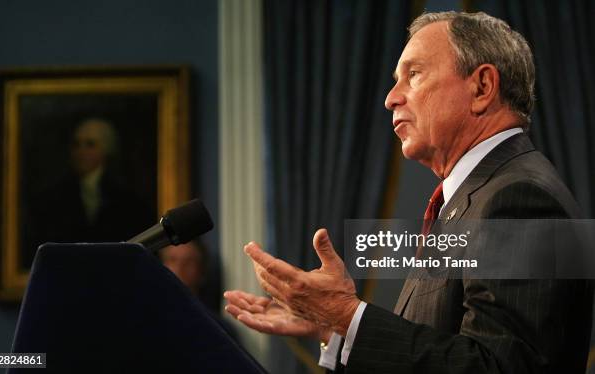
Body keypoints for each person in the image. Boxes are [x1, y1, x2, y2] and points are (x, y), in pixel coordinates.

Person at [224, 11, 593, 373]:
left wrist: (348, 316)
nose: (391, 98)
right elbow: (444, 346)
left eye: (413, 75)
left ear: (481, 87)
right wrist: (336, 327)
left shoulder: (520, 198)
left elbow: (496, 366)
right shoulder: (476, 196)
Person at [24, 118, 152, 266]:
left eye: (90, 144)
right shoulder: (51, 199)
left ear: (106, 149)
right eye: (76, 144)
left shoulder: (127, 200)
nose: (81, 151)